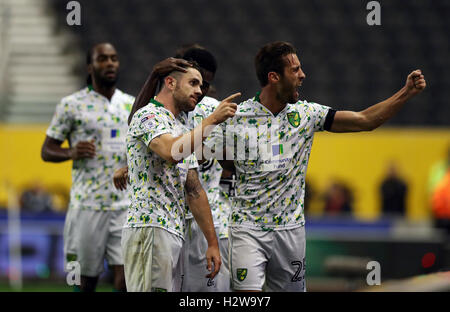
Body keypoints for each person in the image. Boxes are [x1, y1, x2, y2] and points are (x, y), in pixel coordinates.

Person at [204, 41, 426, 292]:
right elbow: (205, 155)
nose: (302, 75)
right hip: (247, 229)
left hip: (291, 231)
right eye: (295, 70)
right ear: (274, 77)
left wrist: (405, 92)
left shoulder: (307, 115)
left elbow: (365, 120)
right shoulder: (236, 117)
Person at [122, 61, 240, 292]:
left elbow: (194, 189)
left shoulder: (181, 127)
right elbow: (170, 152)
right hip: (150, 226)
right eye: (193, 83)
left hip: (174, 230)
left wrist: (212, 243)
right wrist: (212, 120)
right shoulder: (148, 115)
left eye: (201, 85)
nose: (199, 90)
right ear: (170, 82)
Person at [41, 43, 134, 292]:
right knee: (86, 280)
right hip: (88, 204)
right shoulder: (71, 104)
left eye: (114, 58)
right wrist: (71, 151)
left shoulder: (131, 104)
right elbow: (47, 150)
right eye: (103, 59)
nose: (110, 63)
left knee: (126, 278)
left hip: (125, 205)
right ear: (90, 66)